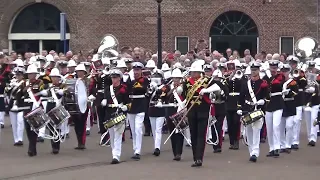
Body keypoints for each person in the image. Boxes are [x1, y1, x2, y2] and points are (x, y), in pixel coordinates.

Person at [182, 62, 221, 167]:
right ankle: (195, 157)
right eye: (192, 72)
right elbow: (184, 96)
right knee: (193, 135)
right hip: (191, 111)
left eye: (195, 72)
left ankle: (199, 158)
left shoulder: (207, 81)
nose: (193, 74)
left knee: (201, 135)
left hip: (203, 110)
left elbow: (218, 87)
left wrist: (206, 90)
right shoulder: (186, 82)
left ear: (200, 72)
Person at [237, 62, 268, 162]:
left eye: (255, 70)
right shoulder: (246, 83)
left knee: (256, 130)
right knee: (248, 132)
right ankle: (251, 151)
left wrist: (263, 101)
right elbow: (241, 97)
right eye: (252, 70)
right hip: (247, 108)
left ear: (259, 70)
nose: (253, 72)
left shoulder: (263, 83)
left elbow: (267, 97)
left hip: (257, 109)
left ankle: (255, 151)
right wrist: (239, 108)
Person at [101, 69, 129, 164]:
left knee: (118, 134)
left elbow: (129, 102)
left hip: (119, 113)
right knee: (112, 135)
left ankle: (116, 155)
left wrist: (126, 107)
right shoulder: (107, 89)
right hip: (109, 113)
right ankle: (114, 153)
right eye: (112, 77)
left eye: (115, 77)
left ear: (119, 78)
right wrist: (103, 102)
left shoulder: (124, 89)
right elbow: (104, 100)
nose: (114, 79)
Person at [22, 64, 47, 157]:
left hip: (35, 106)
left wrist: (41, 92)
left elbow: (41, 90)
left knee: (34, 128)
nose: (30, 75)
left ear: (35, 74)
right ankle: (33, 147)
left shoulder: (39, 82)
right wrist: (26, 87)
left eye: (32, 74)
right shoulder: (24, 83)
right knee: (28, 128)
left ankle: (31, 148)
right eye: (29, 74)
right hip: (27, 107)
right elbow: (21, 93)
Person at [127, 62, 149, 160]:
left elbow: (142, 89)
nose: (136, 72)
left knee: (138, 128)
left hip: (140, 105)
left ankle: (138, 151)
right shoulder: (129, 79)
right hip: (131, 105)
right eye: (135, 70)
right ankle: (135, 148)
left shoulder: (144, 80)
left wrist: (133, 84)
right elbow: (126, 89)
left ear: (141, 70)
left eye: (138, 70)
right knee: (133, 129)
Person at [264, 60, 285, 157]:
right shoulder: (266, 76)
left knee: (276, 126)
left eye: (274, 67)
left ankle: (277, 147)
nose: (273, 69)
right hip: (269, 103)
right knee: (269, 128)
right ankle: (271, 148)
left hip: (277, 102)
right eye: (271, 67)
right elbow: (263, 86)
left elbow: (278, 84)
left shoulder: (280, 76)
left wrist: (270, 77)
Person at [165, 68, 185, 161]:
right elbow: (164, 96)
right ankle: (174, 152)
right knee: (172, 132)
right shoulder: (168, 87)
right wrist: (173, 89)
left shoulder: (184, 87)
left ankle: (179, 153)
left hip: (179, 110)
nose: (176, 80)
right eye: (175, 78)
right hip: (170, 110)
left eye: (178, 78)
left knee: (180, 132)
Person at [279, 64, 298, 154]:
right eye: (283, 71)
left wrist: (289, 92)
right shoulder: (279, 81)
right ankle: (282, 145)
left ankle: (288, 145)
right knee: (281, 126)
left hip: (290, 104)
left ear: (289, 71)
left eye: (286, 71)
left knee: (289, 125)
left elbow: (295, 92)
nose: (284, 72)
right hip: (281, 104)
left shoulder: (292, 82)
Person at [7, 67, 26, 146]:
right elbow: (7, 93)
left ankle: (20, 139)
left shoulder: (25, 83)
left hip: (21, 105)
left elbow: (25, 93)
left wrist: (19, 87)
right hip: (12, 105)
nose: (18, 76)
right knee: (14, 124)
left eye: (19, 75)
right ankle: (16, 139)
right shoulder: (12, 83)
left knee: (20, 122)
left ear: (22, 75)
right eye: (16, 75)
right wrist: (10, 87)